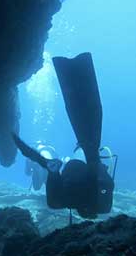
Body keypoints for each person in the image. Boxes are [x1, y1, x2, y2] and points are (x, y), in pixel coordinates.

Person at [13, 52, 115, 219]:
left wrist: (96, 165)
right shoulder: (62, 203)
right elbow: (53, 194)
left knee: (86, 146)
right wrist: (53, 170)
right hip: (75, 169)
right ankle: (79, 150)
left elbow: (108, 183)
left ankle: (81, 149)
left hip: (83, 167)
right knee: (83, 149)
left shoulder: (102, 207)